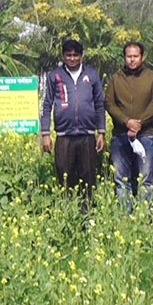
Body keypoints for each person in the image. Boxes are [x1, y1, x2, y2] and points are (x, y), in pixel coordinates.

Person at [40, 39, 106, 214]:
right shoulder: (55, 76)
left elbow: (99, 104)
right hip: (64, 135)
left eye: (76, 55)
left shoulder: (91, 75)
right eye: (68, 55)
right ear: (63, 56)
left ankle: (87, 215)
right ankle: (67, 213)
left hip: (86, 135)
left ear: (81, 56)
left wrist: (101, 132)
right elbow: (46, 105)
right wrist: (45, 133)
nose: (72, 59)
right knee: (64, 176)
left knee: (88, 176)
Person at [105, 41, 153, 212]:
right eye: (128, 56)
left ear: (142, 57)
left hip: (145, 135)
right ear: (124, 58)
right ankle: (125, 216)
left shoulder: (152, 78)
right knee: (121, 179)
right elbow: (109, 103)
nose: (132, 60)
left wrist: (139, 123)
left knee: (145, 178)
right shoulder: (115, 79)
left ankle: (144, 217)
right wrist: (126, 121)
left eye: (135, 56)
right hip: (121, 136)